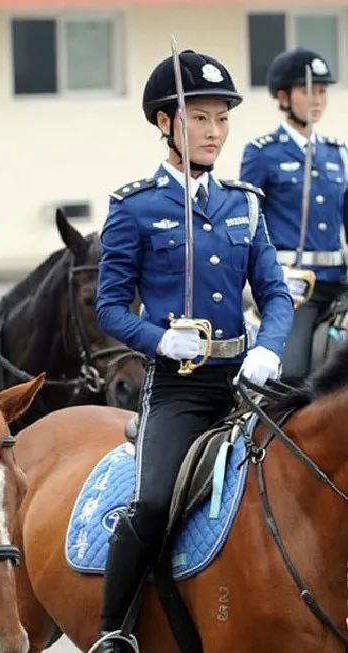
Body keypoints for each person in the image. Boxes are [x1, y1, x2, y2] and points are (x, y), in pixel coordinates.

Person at [93, 51, 293, 652]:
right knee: (154, 503)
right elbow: (108, 308)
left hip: (245, 379)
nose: (214, 132)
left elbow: (276, 294)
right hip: (180, 387)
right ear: (164, 123)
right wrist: (159, 339)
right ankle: (113, 631)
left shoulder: (245, 202)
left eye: (222, 119)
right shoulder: (134, 207)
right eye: (200, 119)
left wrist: (269, 348)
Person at [240, 47, 347, 385]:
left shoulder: (338, 153)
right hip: (297, 287)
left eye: (322, 91)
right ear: (284, 97)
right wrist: (274, 273)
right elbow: (248, 224)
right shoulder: (262, 153)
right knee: (294, 371)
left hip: (341, 281)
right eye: (307, 91)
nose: (317, 99)